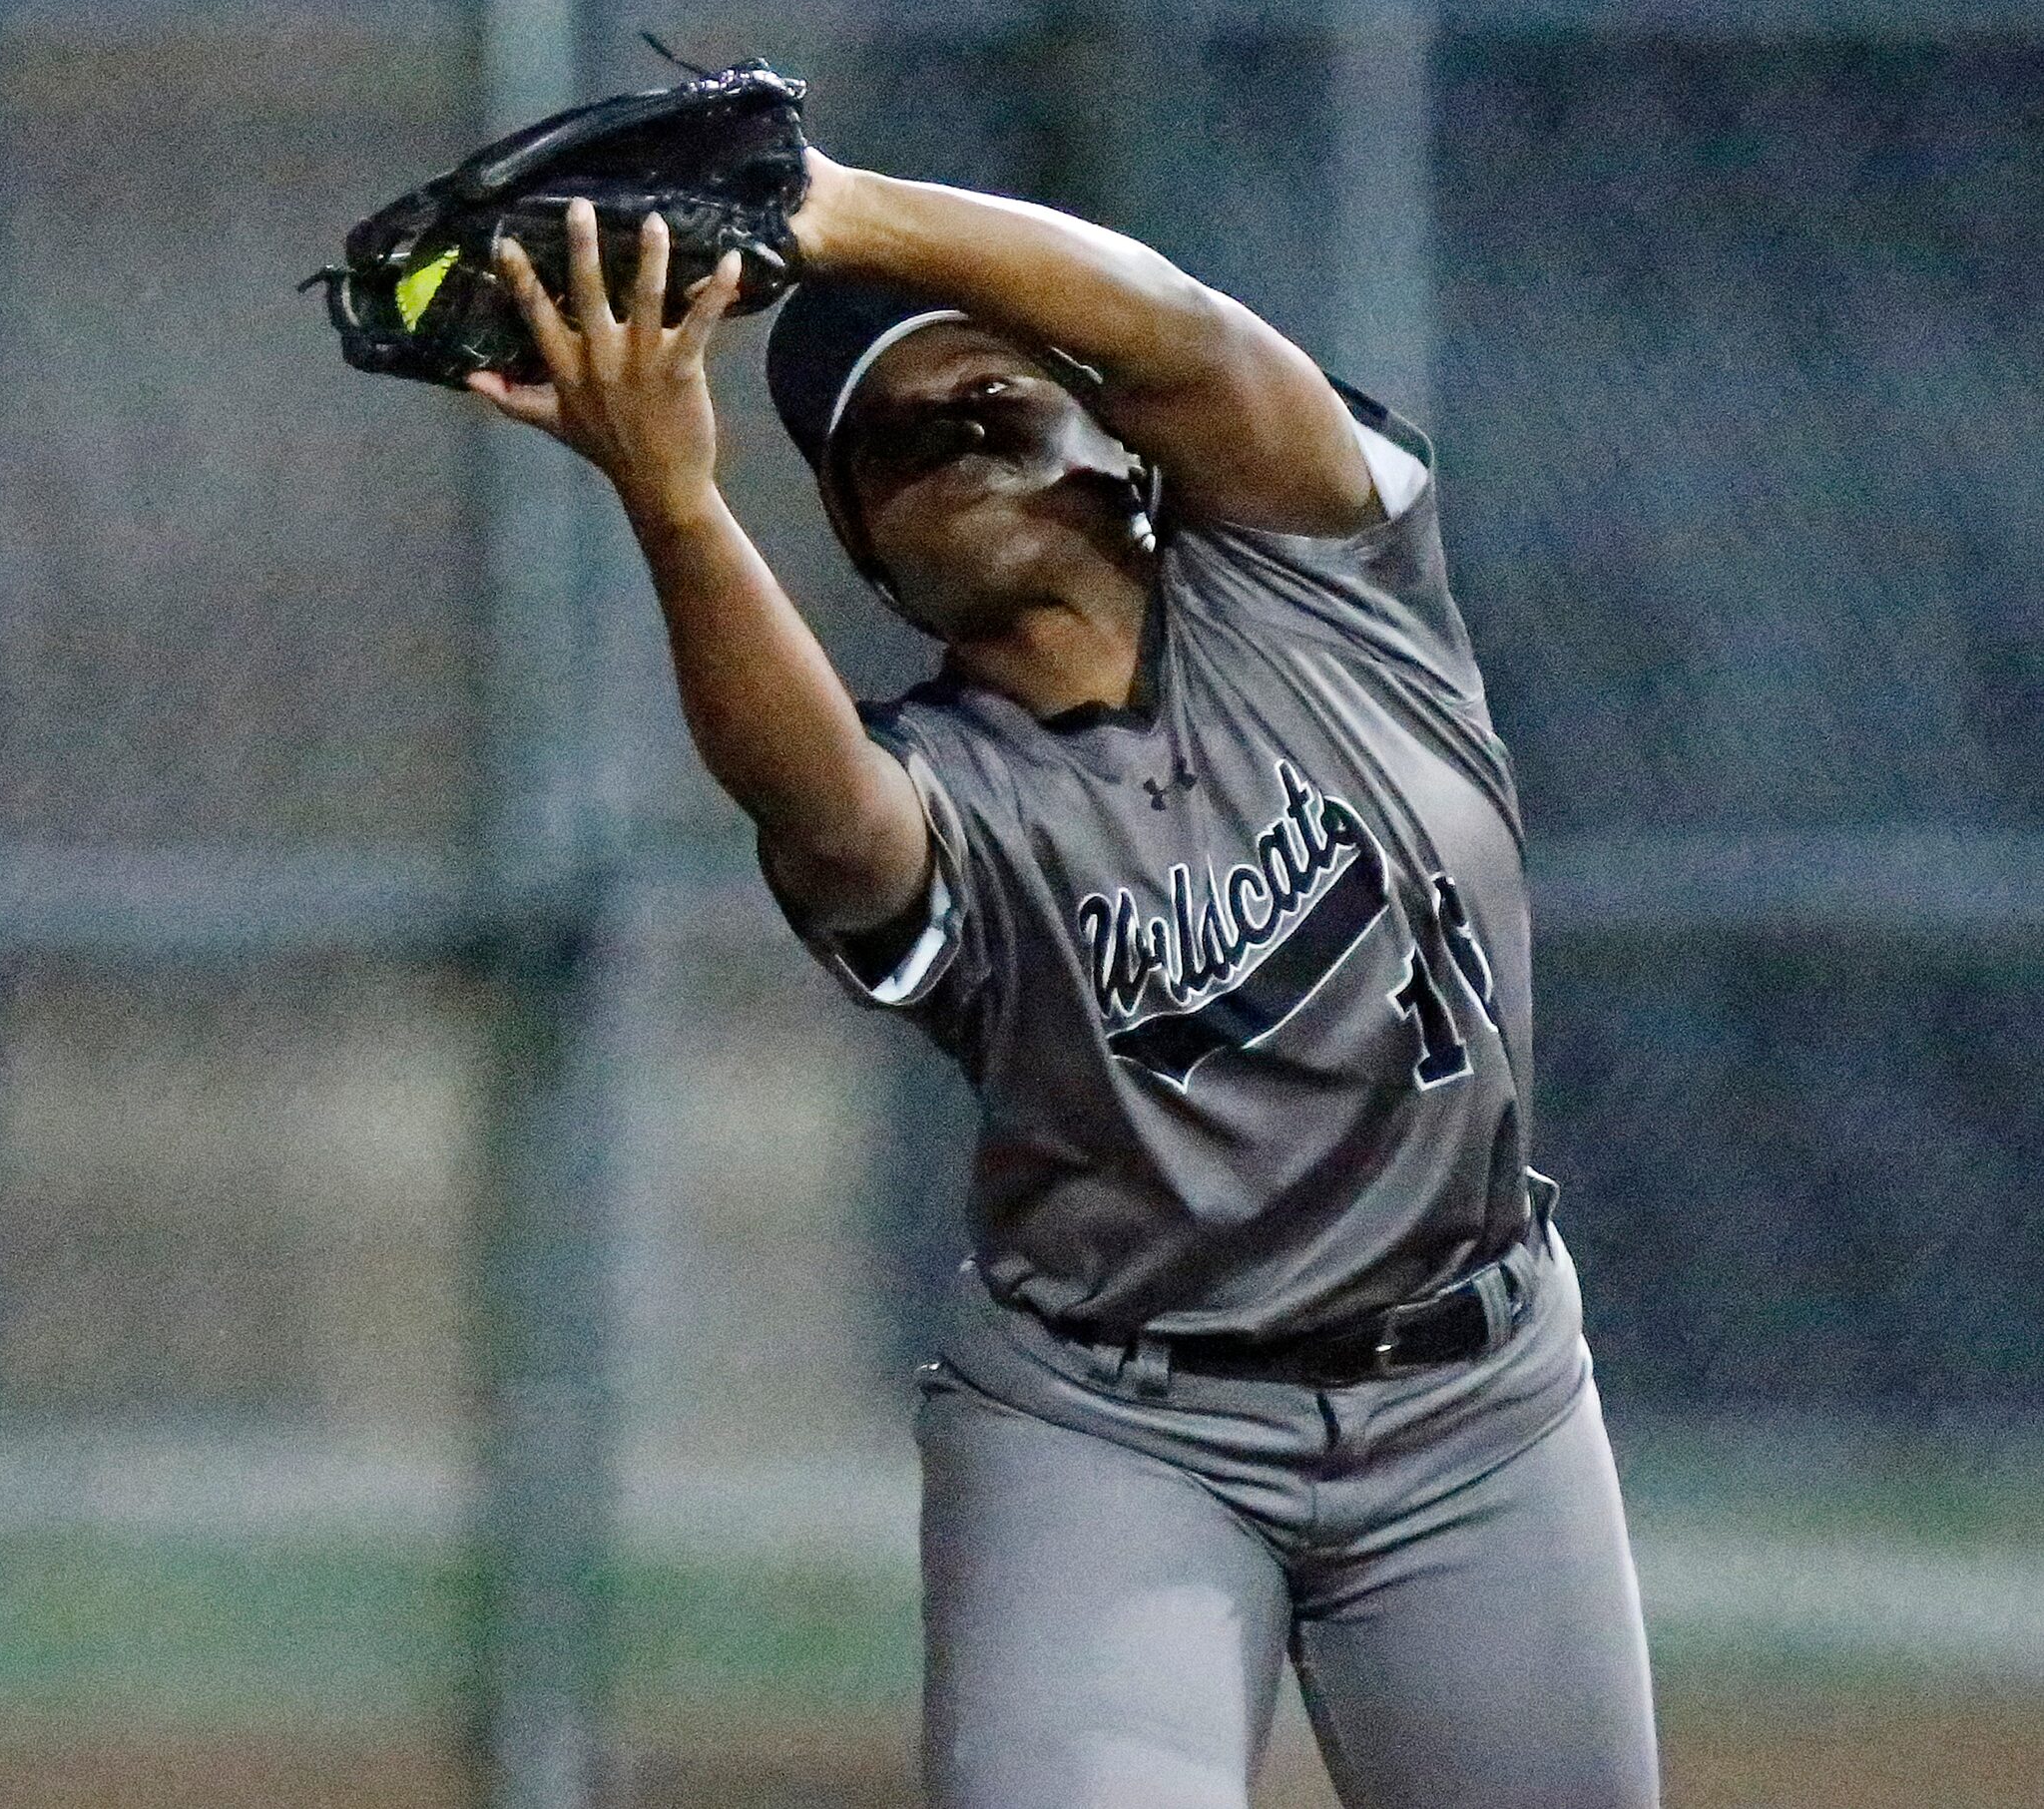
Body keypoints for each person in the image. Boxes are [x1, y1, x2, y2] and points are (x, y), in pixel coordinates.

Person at [468, 148, 1661, 1809]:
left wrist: (831, 204)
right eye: (887, 443)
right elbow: (816, 806)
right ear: (867, 560)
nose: (947, 435)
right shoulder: (944, 788)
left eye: (988, 394)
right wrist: (675, 498)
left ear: (1120, 439)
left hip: (1483, 1403)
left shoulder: (1324, 582)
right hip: (1116, 1430)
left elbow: (1186, 339)